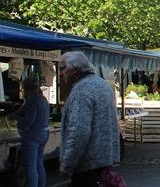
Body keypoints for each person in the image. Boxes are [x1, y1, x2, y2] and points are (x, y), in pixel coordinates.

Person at [58, 52, 120, 187]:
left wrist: (67, 164)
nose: (60, 73)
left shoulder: (81, 91)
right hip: (103, 162)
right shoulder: (102, 85)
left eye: (63, 68)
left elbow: (79, 132)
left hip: (87, 165)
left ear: (75, 70)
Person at [15, 78, 49, 187]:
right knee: (39, 163)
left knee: (30, 167)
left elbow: (29, 121)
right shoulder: (43, 99)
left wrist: (17, 120)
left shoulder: (32, 101)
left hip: (32, 136)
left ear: (26, 88)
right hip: (44, 133)